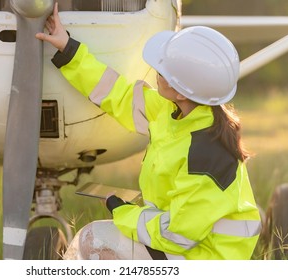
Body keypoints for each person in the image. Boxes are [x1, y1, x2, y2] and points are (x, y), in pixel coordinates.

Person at [36, 3, 262, 260]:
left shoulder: (206, 156)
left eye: (164, 71)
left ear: (181, 92)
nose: (156, 72)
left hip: (206, 258)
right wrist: (68, 50)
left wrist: (121, 211)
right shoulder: (175, 111)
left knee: (93, 241)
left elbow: (177, 236)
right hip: (192, 245)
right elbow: (117, 95)